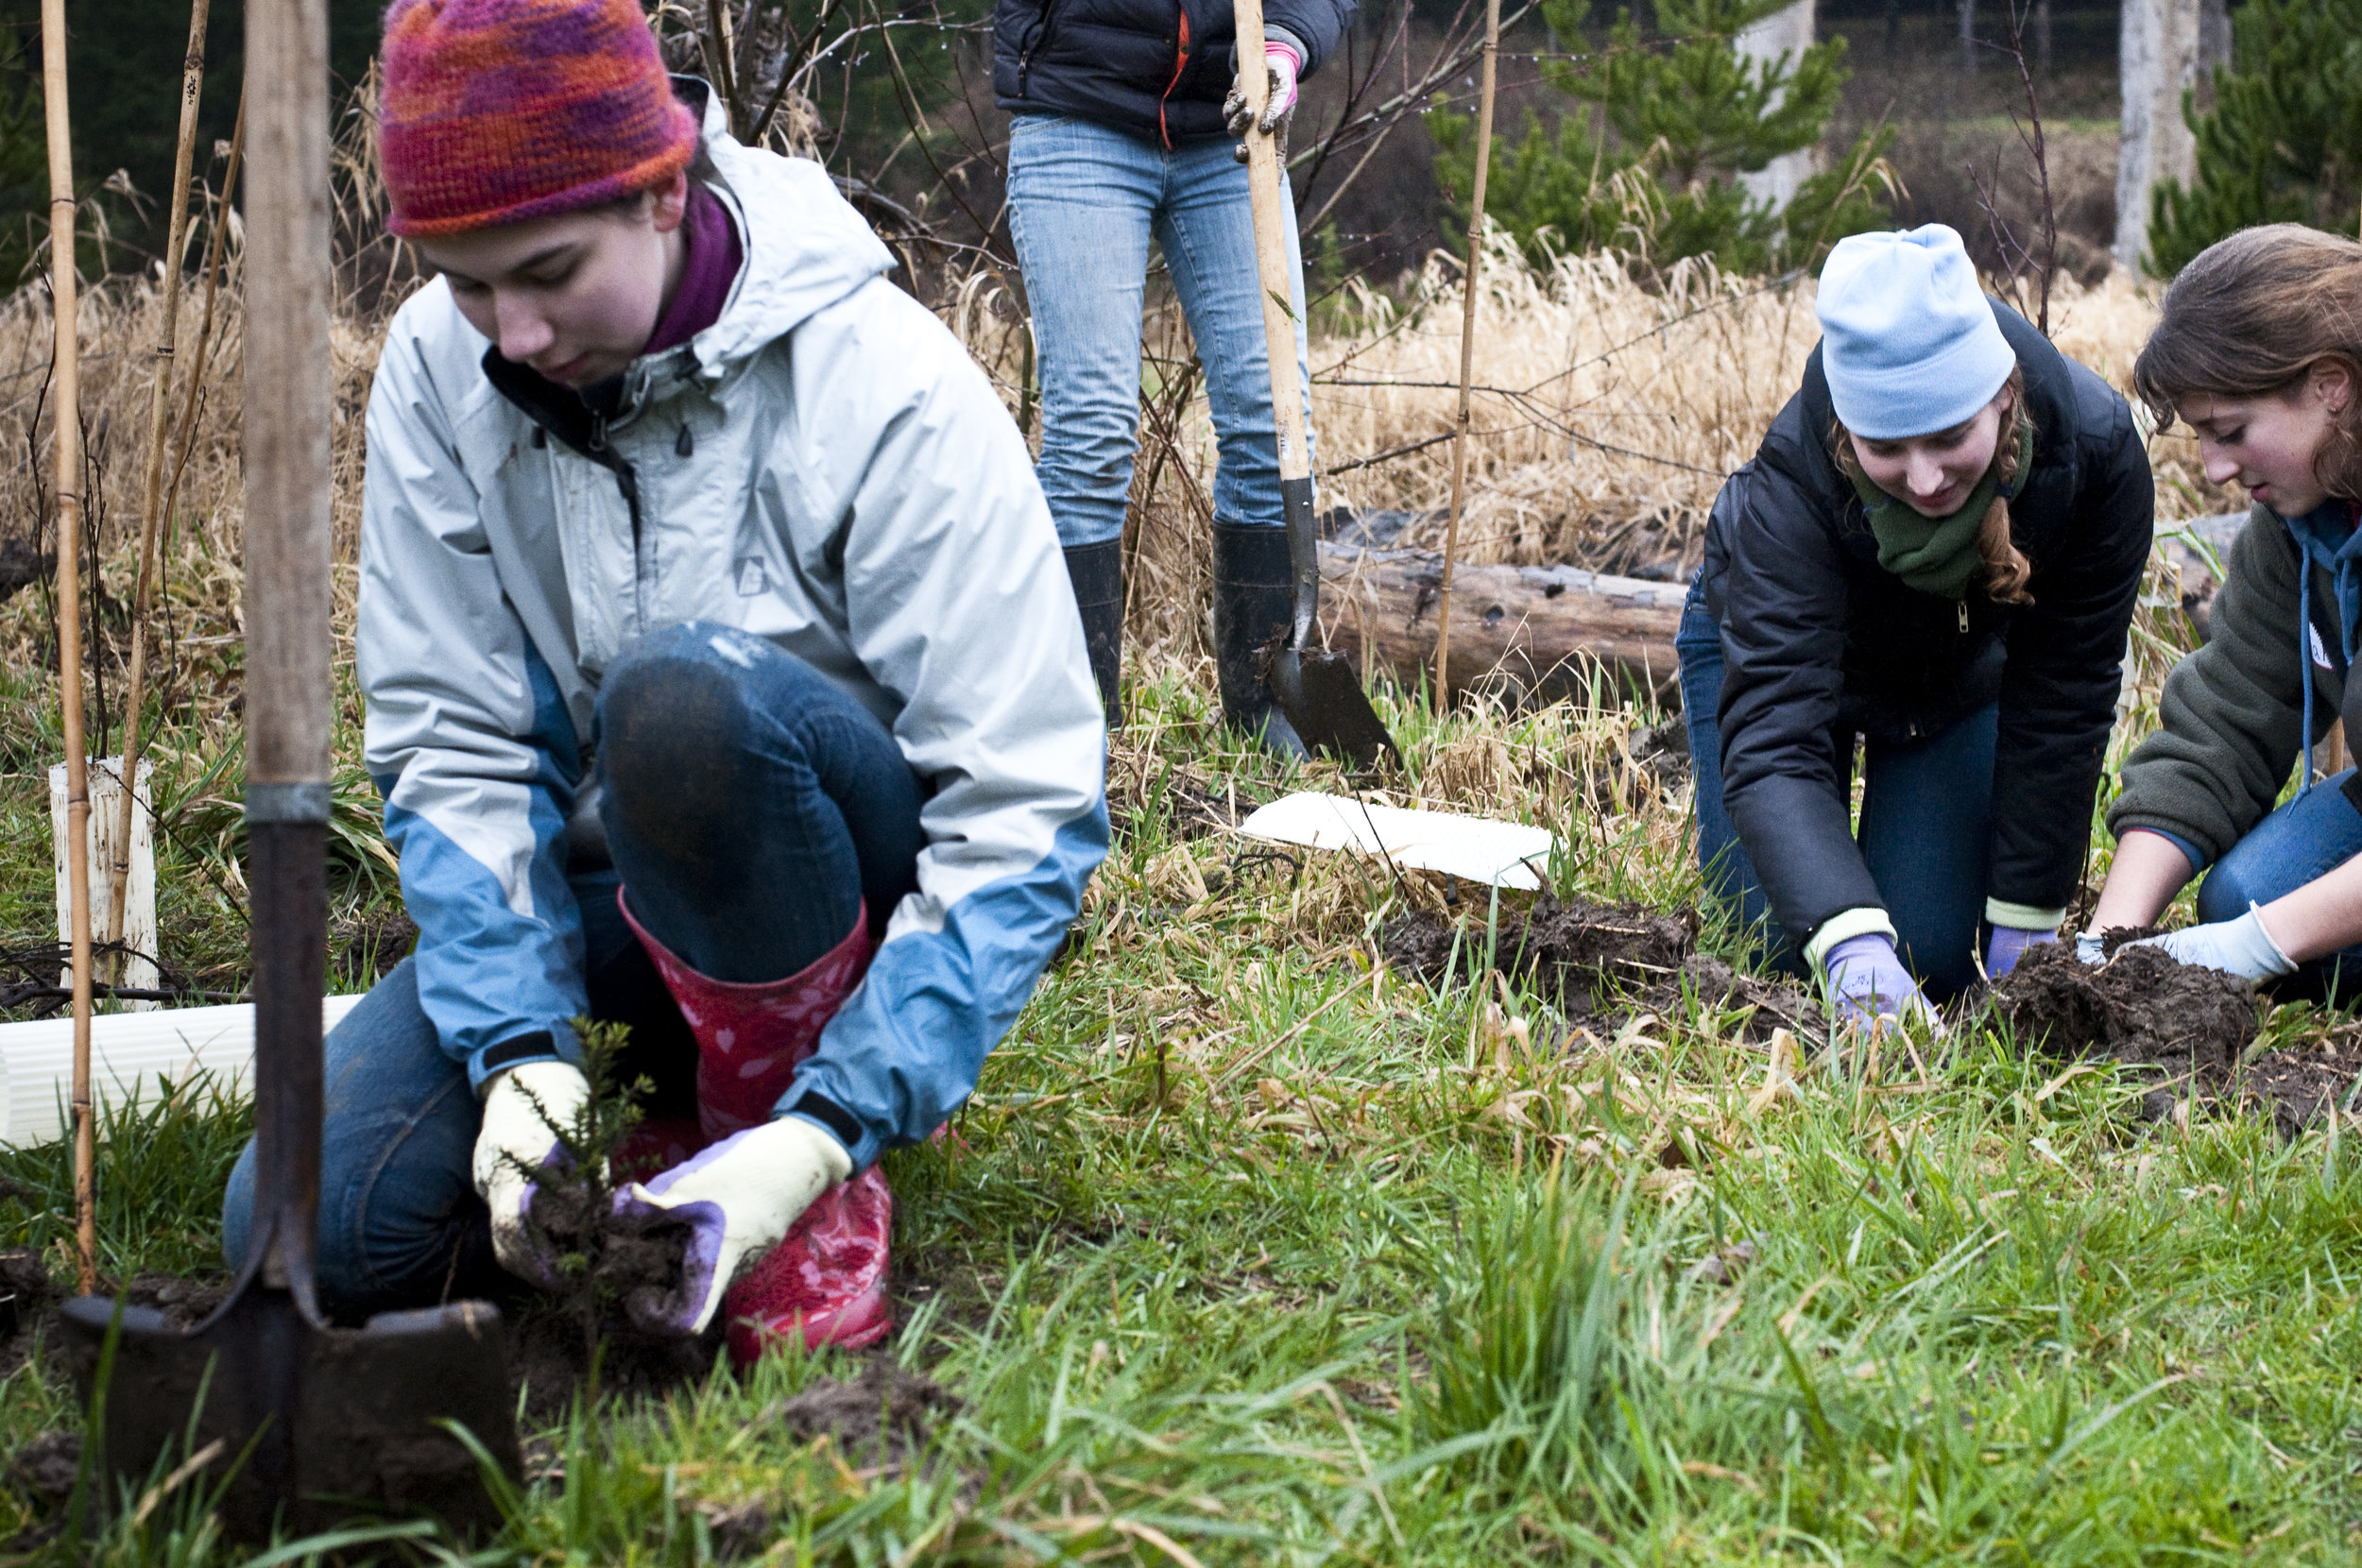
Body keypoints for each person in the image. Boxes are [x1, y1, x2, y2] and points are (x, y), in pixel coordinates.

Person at [219, 0, 1108, 1364]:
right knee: (323, 1230)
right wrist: (518, 1047)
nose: (509, 333)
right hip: (609, 898)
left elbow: (1026, 805)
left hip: (837, 879)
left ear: (665, 191)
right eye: (466, 283)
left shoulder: (885, 384)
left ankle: (795, 1138)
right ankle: (649, 1131)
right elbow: (453, 742)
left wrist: (822, 1129)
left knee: (681, 704)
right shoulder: (435, 369)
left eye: (549, 270)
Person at [1677, 225, 2153, 1028]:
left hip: (1948, 683)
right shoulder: (1793, 482)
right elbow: (1776, 736)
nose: (1925, 478)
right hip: (1770, 669)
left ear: (2002, 397)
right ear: (1846, 434)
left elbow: (2064, 694)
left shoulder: (2096, 453)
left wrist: (2024, 923)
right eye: (1887, 449)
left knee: (1937, 955)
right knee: (1777, 949)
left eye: (1947, 437)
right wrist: (1850, 945)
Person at [993, 0, 1355, 748]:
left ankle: (1269, 718)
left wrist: (1285, 43)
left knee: (1272, 421)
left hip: (1227, 121)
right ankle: (1075, 737)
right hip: (1077, 110)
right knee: (1090, 435)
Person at [2087, 225, 2362, 996]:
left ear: (2330, 383)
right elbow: (2228, 718)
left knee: (2271, 926)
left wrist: (2259, 945)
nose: (2212, 471)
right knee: (2245, 895)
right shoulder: (2299, 521)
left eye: (2231, 432)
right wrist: (2111, 940)